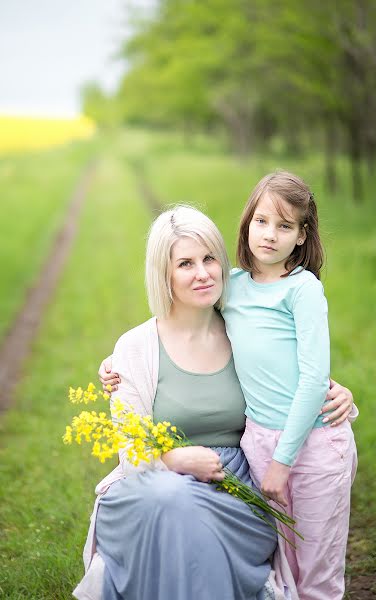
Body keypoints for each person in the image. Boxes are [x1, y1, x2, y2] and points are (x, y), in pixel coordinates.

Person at [74, 206, 280, 600]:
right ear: (164, 275)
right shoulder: (135, 349)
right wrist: (171, 461)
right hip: (149, 487)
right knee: (173, 500)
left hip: (232, 490)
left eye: (209, 259)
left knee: (185, 513)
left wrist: (338, 393)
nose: (202, 273)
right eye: (185, 263)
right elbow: (132, 452)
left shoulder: (248, 334)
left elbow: (297, 381)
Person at [223, 171, 357, 600]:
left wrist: (283, 461)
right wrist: (120, 359)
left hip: (313, 445)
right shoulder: (232, 286)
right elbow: (178, 323)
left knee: (317, 569)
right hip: (258, 440)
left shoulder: (302, 290)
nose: (270, 234)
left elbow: (315, 377)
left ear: (301, 236)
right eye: (262, 221)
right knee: (280, 565)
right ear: (248, 223)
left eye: (285, 226)